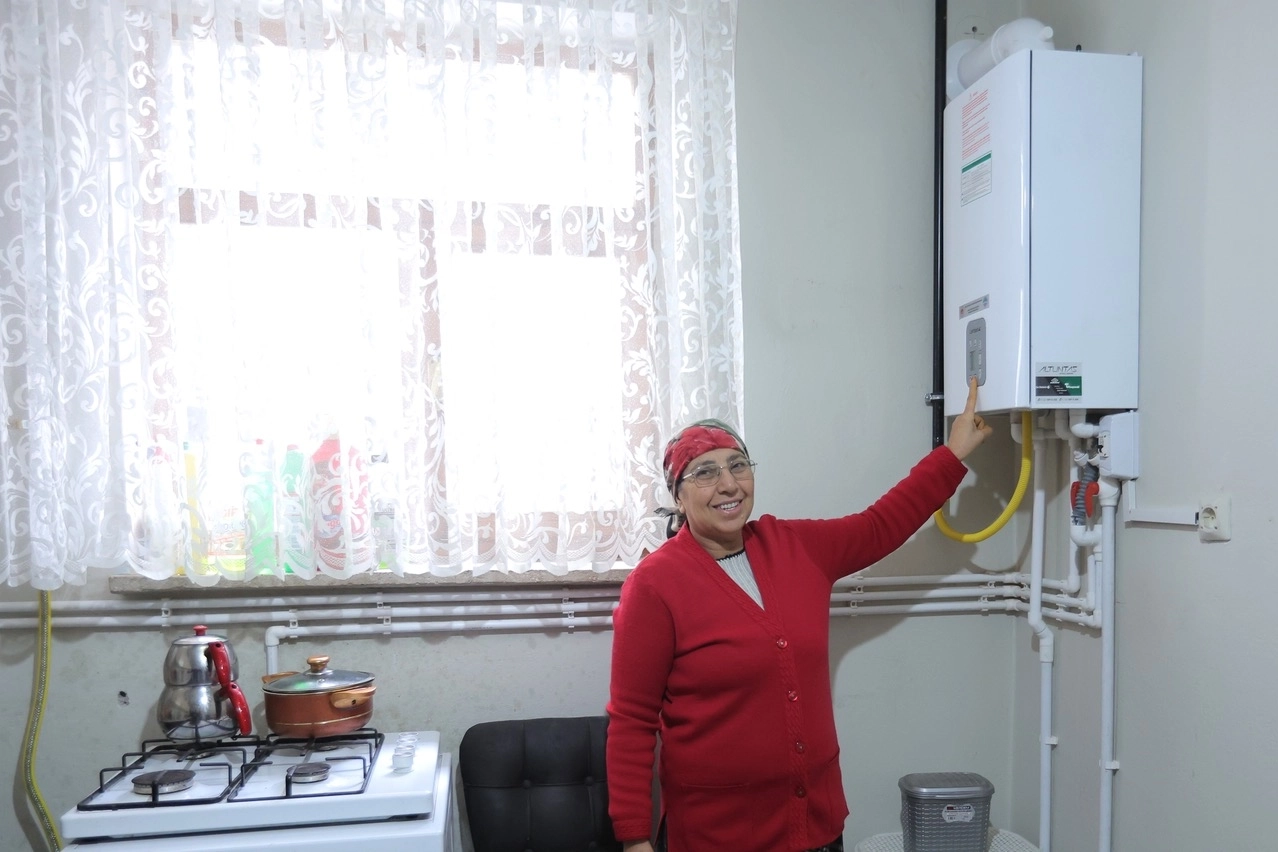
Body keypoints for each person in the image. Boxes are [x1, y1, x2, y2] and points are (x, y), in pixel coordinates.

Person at [606, 378, 993, 852]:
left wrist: (952, 455)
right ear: (678, 496)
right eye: (705, 472)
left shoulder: (795, 546)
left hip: (815, 827)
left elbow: (879, 525)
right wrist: (634, 838)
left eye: (738, 465)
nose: (728, 484)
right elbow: (632, 721)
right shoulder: (654, 584)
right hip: (717, 835)